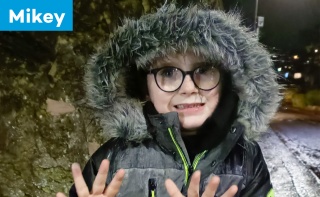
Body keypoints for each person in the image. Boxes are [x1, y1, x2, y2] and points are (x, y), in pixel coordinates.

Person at [57, 3, 281, 197]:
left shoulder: (246, 159)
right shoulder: (114, 159)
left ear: (226, 82)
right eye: (167, 73)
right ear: (144, 88)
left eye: (204, 69)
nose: (188, 87)